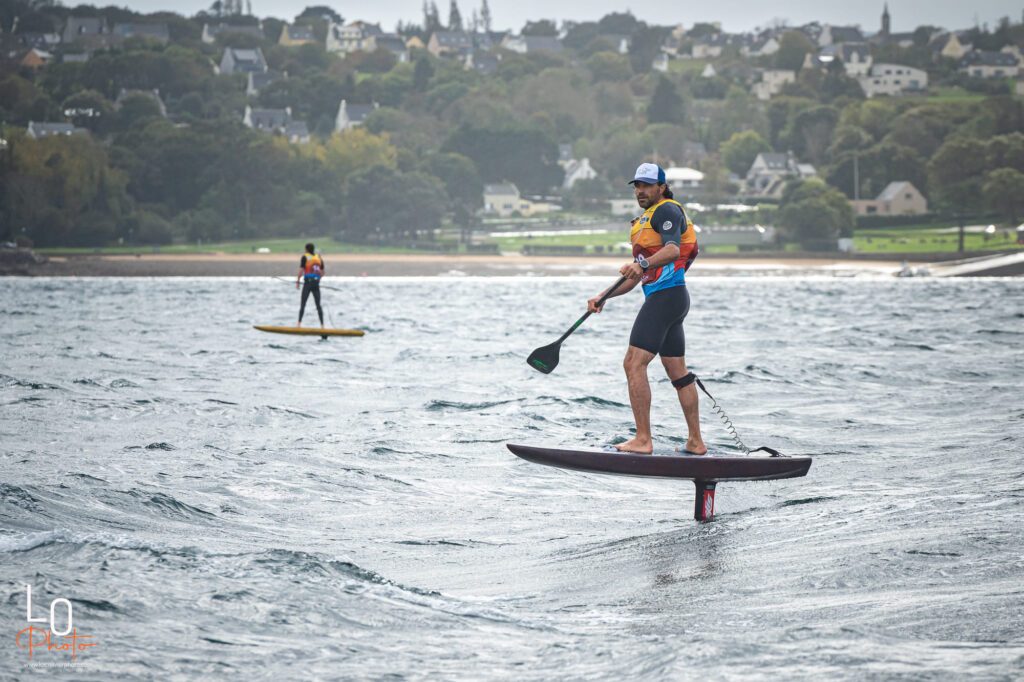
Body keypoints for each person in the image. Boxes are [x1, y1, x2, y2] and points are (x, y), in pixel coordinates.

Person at [587, 163, 705, 455]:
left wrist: (639, 264)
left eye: (647, 185)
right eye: (637, 186)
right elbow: (637, 277)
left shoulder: (666, 210)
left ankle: (642, 440)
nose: (641, 191)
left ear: (661, 187)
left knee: (633, 363)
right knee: (677, 371)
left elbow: (673, 250)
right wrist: (604, 295)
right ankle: (696, 442)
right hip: (670, 298)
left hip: (667, 298)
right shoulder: (644, 220)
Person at [295, 242, 325, 327]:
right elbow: (322, 273)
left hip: (307, 284)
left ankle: (299, 324)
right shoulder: (319, 258)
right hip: (316, 284)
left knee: (303, 304)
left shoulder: (305, 257)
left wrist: (297, 281)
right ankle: (322, 325)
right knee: (318, 305)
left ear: (307, 249)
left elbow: (301, 270)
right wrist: (318, 279)